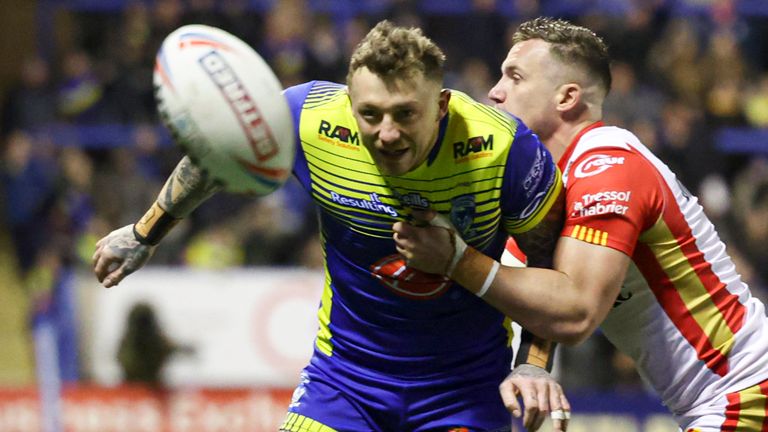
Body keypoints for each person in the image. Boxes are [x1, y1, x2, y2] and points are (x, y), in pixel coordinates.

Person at [92, 20, 575, 432]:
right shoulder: (310, 118)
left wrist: (532, 366)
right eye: (371, 114)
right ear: (349, 105)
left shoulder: (504, 149)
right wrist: (143, 234)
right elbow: (214, 155)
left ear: (443, 104)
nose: (387, 133)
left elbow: (547, 256)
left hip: (466, 387)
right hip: (344, 379)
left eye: (406, 114)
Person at [478, 16, 768, 431]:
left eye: (515, 77)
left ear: (566, 97)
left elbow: (574, 312)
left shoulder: (607, 165)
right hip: (723, 401)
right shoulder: (549, 186)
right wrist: (532, 365)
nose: (495, 91)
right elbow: (539, 289)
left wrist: (454, 261)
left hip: (749, 395)